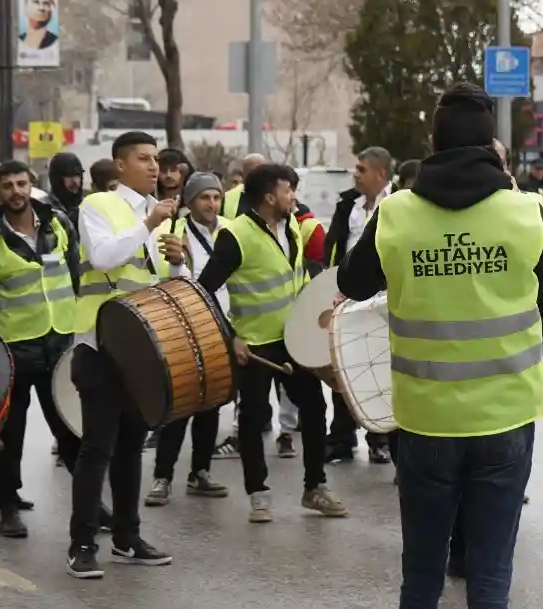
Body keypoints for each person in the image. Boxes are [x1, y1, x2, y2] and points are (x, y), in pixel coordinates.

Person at [338, 83, 543, 609]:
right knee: (491, 583)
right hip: (504, 420)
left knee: (420, 580)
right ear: (493, 148)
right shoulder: (527, 212)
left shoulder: (398, 214)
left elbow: (351, 282)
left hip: (424, 422)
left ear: (435, 143)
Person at [198, 162, 344, 523]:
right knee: (254, 417)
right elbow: (204, 291)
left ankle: (315, 487)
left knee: (313, 410)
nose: (293, 196)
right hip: (255, 345)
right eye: (287, 190)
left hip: (293, 338)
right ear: (268, 196)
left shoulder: (292, 225)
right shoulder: (236, 236)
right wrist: (231, 338)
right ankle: (258, 492)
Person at [66, 130, 178, 579]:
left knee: (132, 448)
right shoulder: (99, 206)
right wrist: (149, 225)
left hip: (142, 352)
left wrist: (180, 258)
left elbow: (167, 283)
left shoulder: (162, 218)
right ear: (120, 166)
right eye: (144, 159)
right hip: (100, 346)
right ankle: (82, 543)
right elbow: (104, 255)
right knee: (97, 448)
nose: (155, 167)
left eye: (156, 159)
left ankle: (128, 538)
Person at [0, 160, 79, 537]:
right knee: (10, 437)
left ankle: (91, 506)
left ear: (32, 185)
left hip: (58, 347)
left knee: (71, 431)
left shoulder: (58, 225)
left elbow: (73, 277)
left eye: (21, 183)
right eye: (7, 186)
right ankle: (8, 506)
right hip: (13, 354)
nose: (16, 191)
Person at [145, 172, 232, 506]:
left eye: (216, 197)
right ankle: (162, 477)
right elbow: (168, 283)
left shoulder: (230, 230)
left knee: (212, 402)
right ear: (190, 201)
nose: (211, 204)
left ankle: (201, 471)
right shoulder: (173, 232)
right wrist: (179, 262)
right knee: (180, 404)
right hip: (184, 328)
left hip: (223, 327)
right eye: (204, 198)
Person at [325, 146, 395, 465]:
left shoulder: (399, 205)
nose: (356, 174)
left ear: (381, 174)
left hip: (385, 301)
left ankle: (381, 439)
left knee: (381, 370)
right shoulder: (347, 206)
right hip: (349, 296)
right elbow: (333, 249)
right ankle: (341, 438)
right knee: (346, 365)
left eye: (362, 169)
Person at [48, 152, 87, 231]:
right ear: (57, 178)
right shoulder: (45, 210)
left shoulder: (88, 206)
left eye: (77, 175)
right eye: (69, 176)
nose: (75, 181)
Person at [220, 153, 266, 219]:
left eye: (259, 171)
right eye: (250, 172)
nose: (255, 176)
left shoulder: (276, 195)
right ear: (243, 174)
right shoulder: (229, 197)